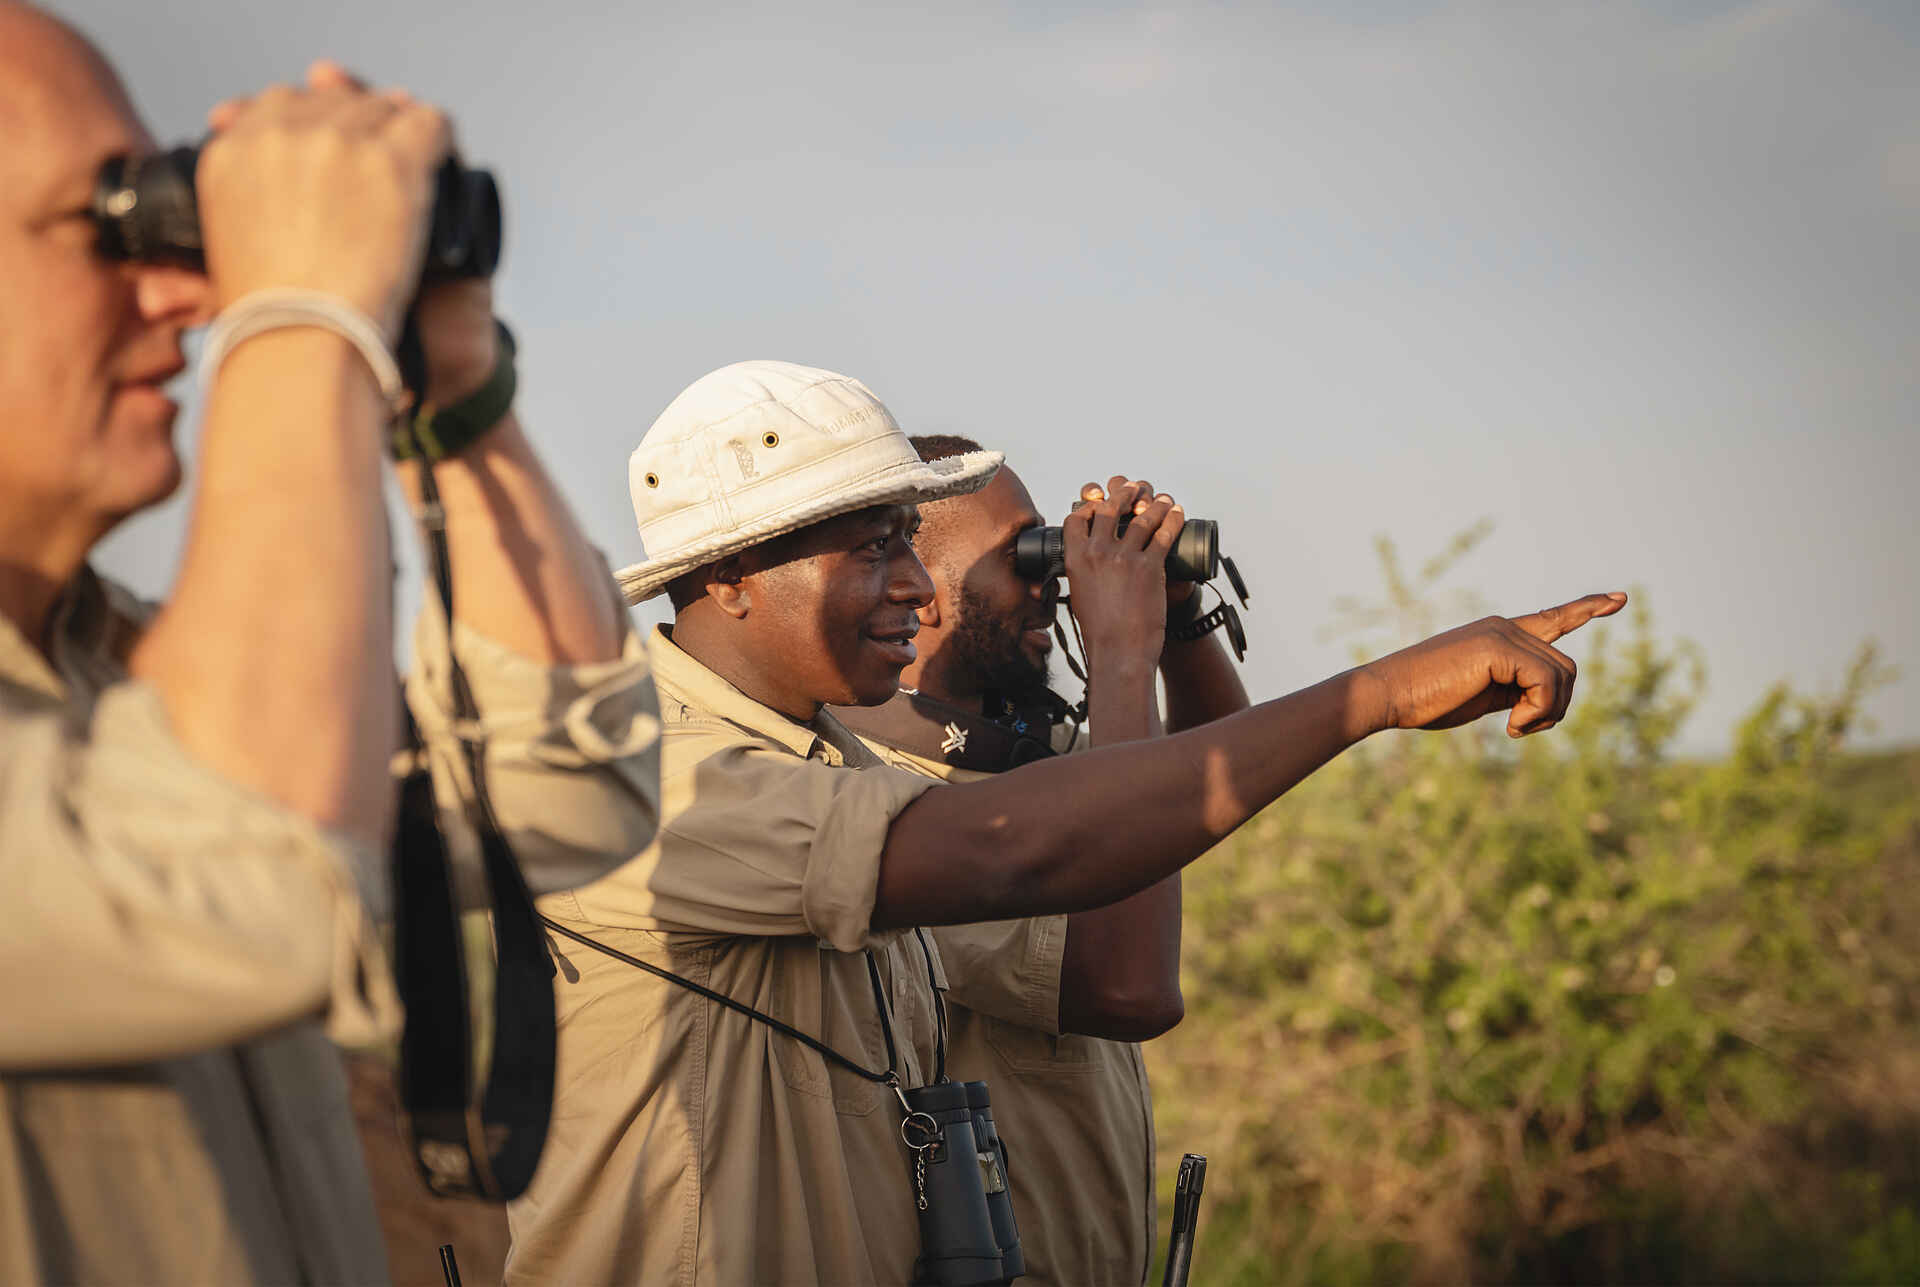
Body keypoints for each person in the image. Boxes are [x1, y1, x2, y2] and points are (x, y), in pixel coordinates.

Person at [510, 358, 1623, 1285]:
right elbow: (1089, 924)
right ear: (732, 573)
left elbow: (1175, 804)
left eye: (910, 541)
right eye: (875, 546)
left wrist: (1178, 624)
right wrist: (1362, 691)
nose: (913, 586)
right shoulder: (660, 776)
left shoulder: (832, 762)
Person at [0, 8, 659, 1282]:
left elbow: (559, 792)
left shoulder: (120, 676)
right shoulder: (201, 749)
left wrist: (452, 390)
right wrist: (305, 308)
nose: (190, 293)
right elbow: (241, 869)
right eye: (100, 229)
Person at [832, 435, 1249, 1284]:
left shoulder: (1023, 761)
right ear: (920, 589)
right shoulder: (898, 805)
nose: (1052, 582)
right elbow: (1129, 991)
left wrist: (1175, 616)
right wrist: (1121, 653)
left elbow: (1216, 785)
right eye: (1023, 555)